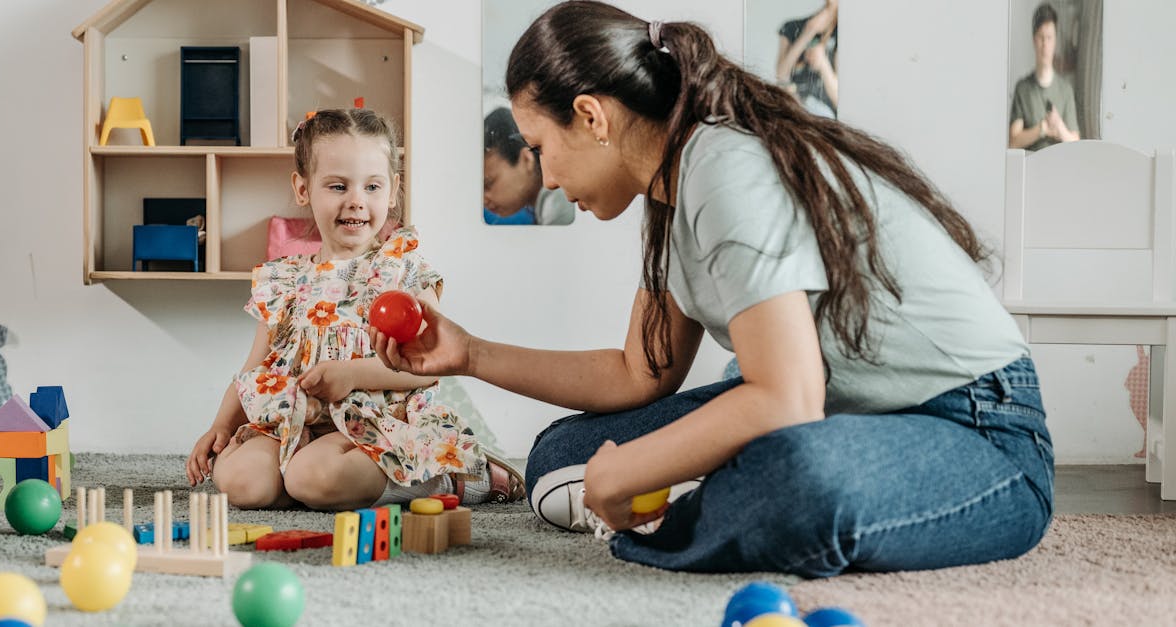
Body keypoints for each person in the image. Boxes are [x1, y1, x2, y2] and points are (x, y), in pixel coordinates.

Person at [374, 1, 1052, 577]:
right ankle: (703, 486)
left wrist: (630, 469)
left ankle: (700, 493)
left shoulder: (724, 169)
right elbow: (638, 373)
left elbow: (786, 396)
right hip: (844, 410)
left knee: (794, 477)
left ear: (592, 116)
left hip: (979, 429)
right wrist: (468, 352)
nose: (545, 178)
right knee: (559, 455)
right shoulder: (671, 188)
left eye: (541, 146)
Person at [185, 108, 524, 510]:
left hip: (376, 425)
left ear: (393, 190)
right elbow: (254, 371)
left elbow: (430, 368)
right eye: (338, 186)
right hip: (295, 423)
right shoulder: (283, 280)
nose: (357, 201)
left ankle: (446, 476)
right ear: (302, 188)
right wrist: (221, 425)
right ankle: (307, 482)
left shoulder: (404, 271)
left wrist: (351, 374)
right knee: (242, 483)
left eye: (372, 187)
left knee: (314, 476)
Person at [484, 107, 575, 225]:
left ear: (527, 159)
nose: (484, 200)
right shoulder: (546, 207)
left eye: (488, 184)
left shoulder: (559, 205)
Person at [1009, 3, 1080, 151]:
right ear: (1034, 40)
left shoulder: (1065, 90)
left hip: (1059, 168)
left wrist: (1059, 126)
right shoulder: (1022, 88)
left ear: (1055, 41)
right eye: (1041, 37)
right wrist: (1042, 128)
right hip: (1030, 168)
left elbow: (1076, 143)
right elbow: (1013, 141)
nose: (1045, 44)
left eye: (1049, 38)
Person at [775, 0, 838, 118]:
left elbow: (838, 99)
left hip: (828, 120)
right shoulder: (791, 27)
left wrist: (823, 64)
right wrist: (808, 32)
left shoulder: (844, 33)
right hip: (795, 114)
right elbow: (781, 75)